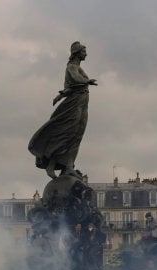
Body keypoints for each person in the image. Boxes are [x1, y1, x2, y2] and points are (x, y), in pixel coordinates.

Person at [29, 41, 97, 179]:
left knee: (78, 135)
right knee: (68, 133)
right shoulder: (72, 67)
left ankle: (68, 166)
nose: (86, 54)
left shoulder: (78, 68)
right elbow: (75, 79)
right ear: (77, 53)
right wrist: (87, 82)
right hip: (74, 103)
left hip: (83, 102)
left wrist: (60, 95)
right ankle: (51, 164)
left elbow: (69, 87)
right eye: (84, 51)